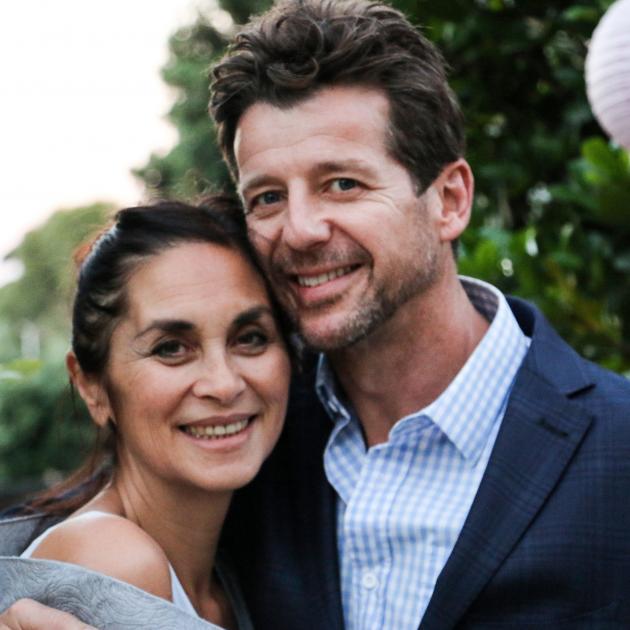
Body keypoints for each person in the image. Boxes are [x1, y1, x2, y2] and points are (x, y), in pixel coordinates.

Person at [3, 0, 630, 628]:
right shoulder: (247, 434)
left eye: (343, 184)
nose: (299, 231)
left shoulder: (615, 446)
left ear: (449, 199)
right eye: (268, 196)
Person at [0, 197, 292, 629]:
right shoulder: (114, 558)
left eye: (250, 337)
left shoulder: (232, 572)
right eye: (171, 348)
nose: (225, 383)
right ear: (92, 387)